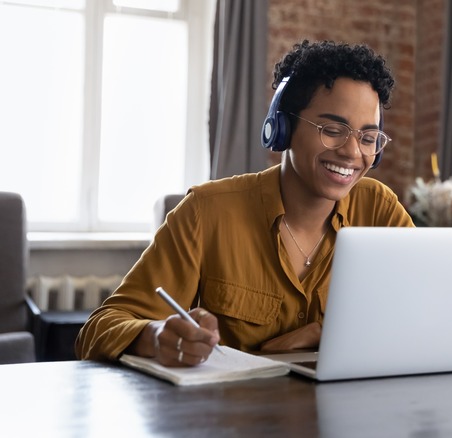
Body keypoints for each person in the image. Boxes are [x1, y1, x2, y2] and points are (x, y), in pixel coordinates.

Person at [76, 40, 414, 365]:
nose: (353, 153)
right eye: (332, 129)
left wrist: (327, 333)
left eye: (368, 138)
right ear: (282, 127)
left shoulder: (379, 210)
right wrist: (158, 335)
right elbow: (99, 328)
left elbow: (425, 313)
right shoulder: (206, 212)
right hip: (234, 416)